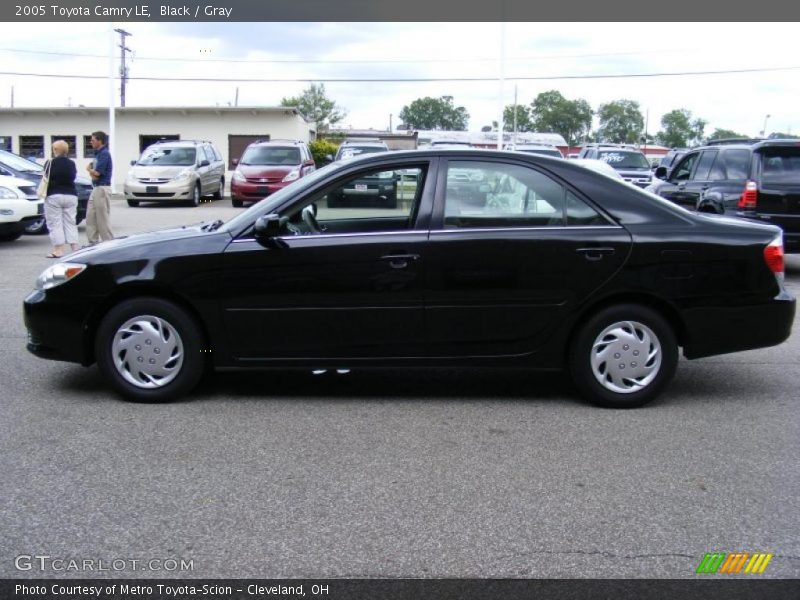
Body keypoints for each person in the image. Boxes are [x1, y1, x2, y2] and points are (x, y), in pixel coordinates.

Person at [44, 139, 79, 258]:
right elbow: (73, 177)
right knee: (70, 221)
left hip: (54, 195)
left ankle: (58, 250)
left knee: (55, 223)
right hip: (71, 195)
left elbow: (45, 178)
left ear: (56, 150)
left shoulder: (50, 163)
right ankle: (75, 248)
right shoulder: (71, 163)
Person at [85, 130, 113, 244]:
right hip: (95, 187)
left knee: (102, 218)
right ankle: (92, 242)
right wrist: (92, 171)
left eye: (93, 140)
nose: (91, 142)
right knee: (91, 217)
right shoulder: (97, 154)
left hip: (102, 188)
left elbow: (97, 173)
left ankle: (109, 243)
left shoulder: (104, 154)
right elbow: (94, 175)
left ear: (100, 141)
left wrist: (89, 170)